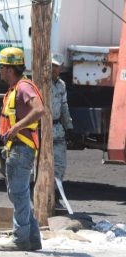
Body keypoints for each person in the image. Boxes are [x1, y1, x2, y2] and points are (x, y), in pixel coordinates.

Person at [0, 47, 45, 252]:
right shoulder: (16, 88)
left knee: (18, 194)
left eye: (1, 67)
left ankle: (20, 238)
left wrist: (16, 127)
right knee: (20, 194)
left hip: (21, 148)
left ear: (9, 69)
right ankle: (32, 238)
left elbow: (39, 110)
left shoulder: (24, 87)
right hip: (17, 149)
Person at [51, 54, 74, 183]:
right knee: (39, 165)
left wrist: (69, 127)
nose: (53, 69)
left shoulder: (61, 85)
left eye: (56, 66)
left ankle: (55, 195)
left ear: (61, 68)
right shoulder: (41, 83)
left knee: (59, 165)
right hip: (42, 130)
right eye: (52, 65)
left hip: (57, 129)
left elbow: (64, 107)